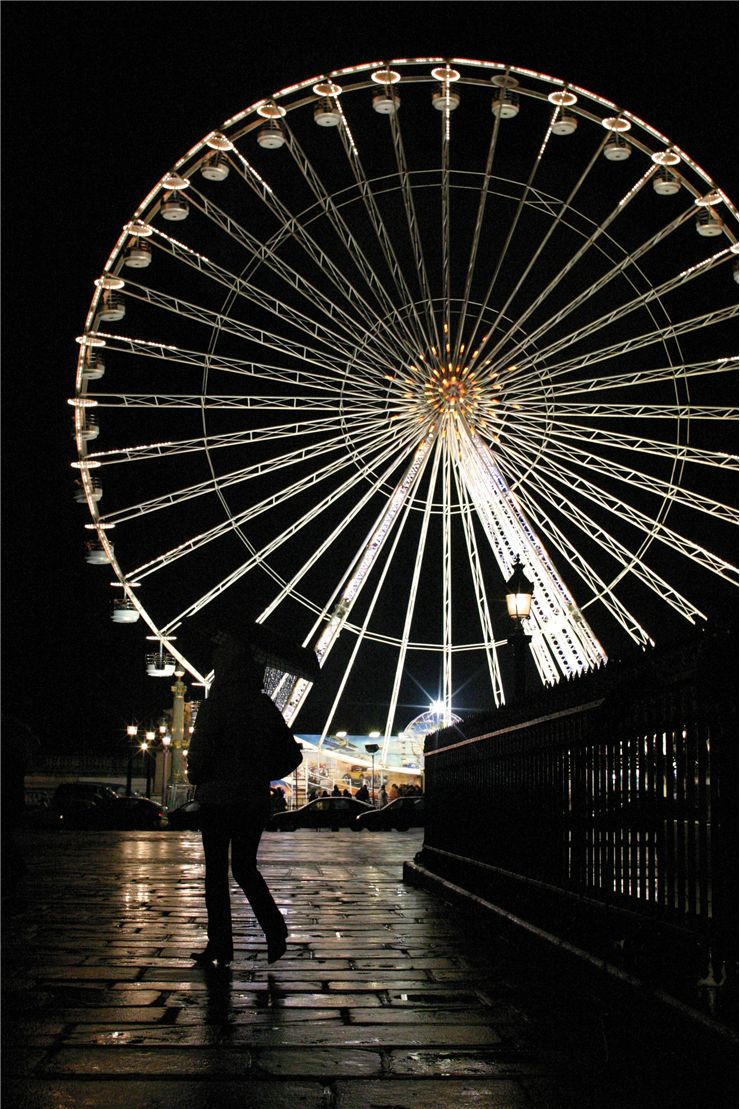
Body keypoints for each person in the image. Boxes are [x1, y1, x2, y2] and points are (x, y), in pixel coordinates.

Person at [187, 636, 288, 968]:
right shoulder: (262, 705)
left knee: (216, 873)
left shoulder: (216, 704)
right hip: (252, 798)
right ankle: (275, 929)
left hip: (217, 799)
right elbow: (291, 754)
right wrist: (261, 772)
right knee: (245, 867)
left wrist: (199, 773)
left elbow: (199, 754)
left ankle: (220, 945)